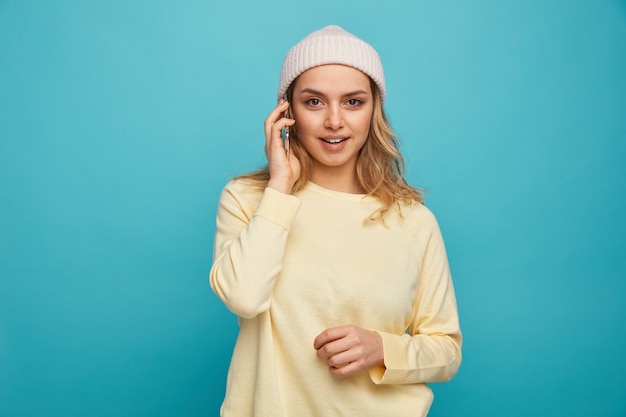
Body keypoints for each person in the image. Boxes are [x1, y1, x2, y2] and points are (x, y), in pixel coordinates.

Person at [209, 25, 462, 417]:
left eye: (353, 102)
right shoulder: (249, 200)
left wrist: (383, 349)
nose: (334, 121)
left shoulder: (413, 220)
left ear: (373, 110)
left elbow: (447, 350)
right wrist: (280, 186)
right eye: (313, 102)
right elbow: (244, 297)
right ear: (286, 112)